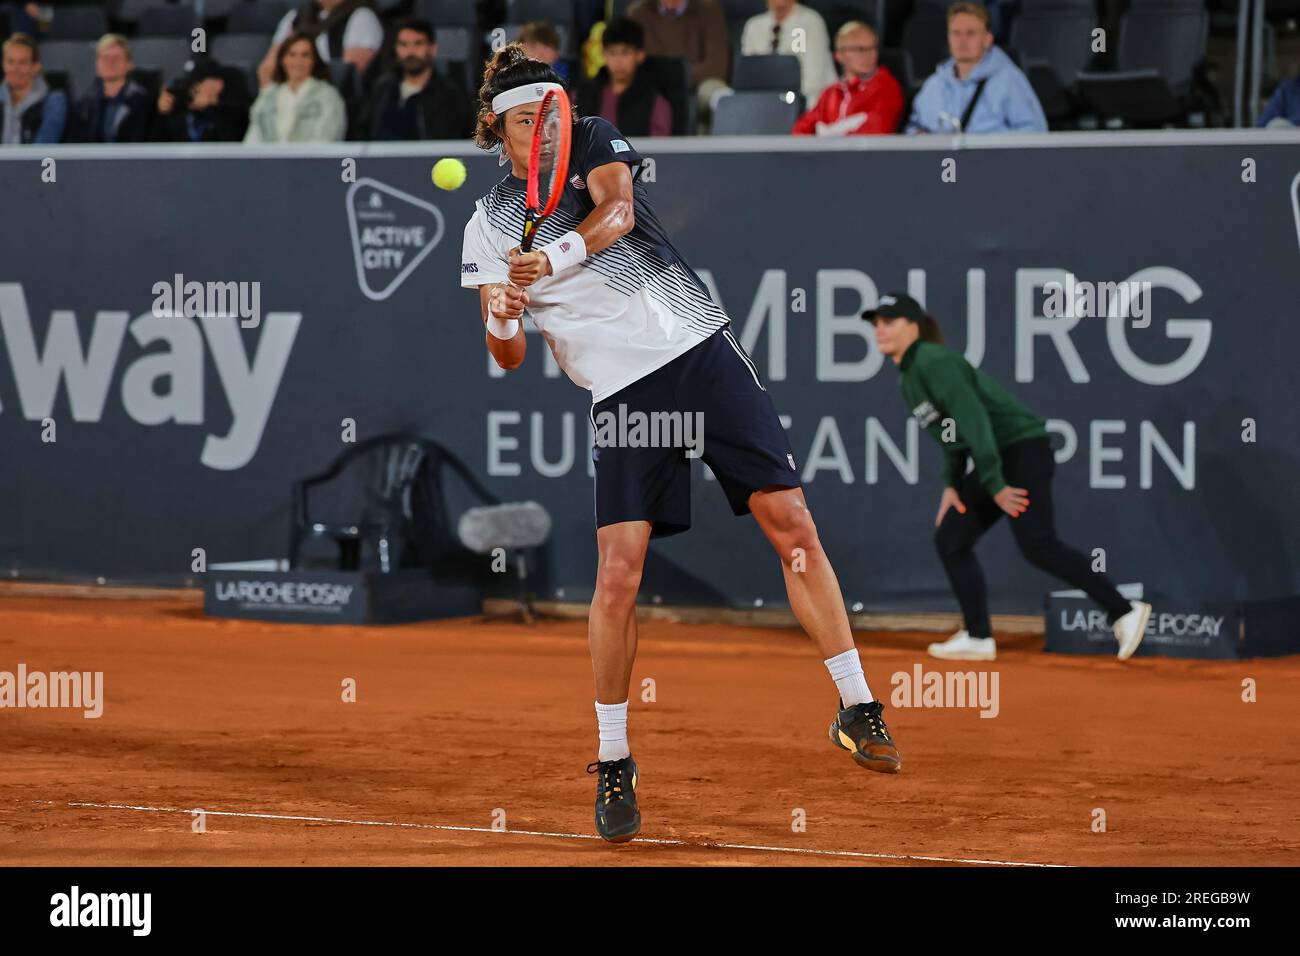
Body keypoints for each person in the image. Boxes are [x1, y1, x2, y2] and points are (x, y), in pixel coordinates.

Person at [461, 44, 901, 845]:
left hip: (696, 349)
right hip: (620, 393)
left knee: (792, 524)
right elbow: (509, 355)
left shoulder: (592, 139)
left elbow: (619, 215)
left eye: (554, 116)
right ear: (498, 127)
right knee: (620, 574)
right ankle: (615, 758)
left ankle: (857, 703)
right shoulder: (488, 225)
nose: (549, 133)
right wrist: (501, 308)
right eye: (531, 122)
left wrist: (552, 255)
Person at [865, 292, 1152, 662]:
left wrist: (996, 484)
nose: (879, 331)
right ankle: (979, 636)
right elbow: (950, 432)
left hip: (1020, 451)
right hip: (998, 457)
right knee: (952, 537)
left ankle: (1124, 610)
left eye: (888, 322)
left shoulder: (935, 362)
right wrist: (952, 483)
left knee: (1038, 544)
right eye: (876, 324)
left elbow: (974, 421)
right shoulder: (909, 376)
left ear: (913, 326)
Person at [906, 2, 1045, 134]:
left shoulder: (1009, 80)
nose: (962, 40)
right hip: (942, 159)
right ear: (948, 37)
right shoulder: (934, 84)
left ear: (987, 39)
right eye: (956, 33)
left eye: (970, 33)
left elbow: (1035, 131)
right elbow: (913, 129)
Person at [357, 18, 472, 141]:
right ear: (396, 49)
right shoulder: (383, 89)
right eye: (403, 44)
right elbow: (363, 132)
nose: (410, 52)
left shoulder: (449, 94)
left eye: (418, 44)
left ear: (432, 49)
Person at [792, 21, 903, 136]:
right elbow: (800, 131)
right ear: (839, 55)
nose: (867, 55)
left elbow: (874, 133)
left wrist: (828, 134)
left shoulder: (887, 88)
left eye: (871, 48)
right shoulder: (830, 93)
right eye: (859, 49)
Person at [577, 17, 672, 138]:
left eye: (625, 52)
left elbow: (662, 150)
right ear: (604, 55)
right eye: (612, 52)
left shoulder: (655, 102)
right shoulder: (586, 94)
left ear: (640, 55)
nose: (618, 61)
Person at [245, 33, 346, 143]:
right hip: (268, 158)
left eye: (305, 55)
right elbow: (253, 136)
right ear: (282, 60)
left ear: (314, 61)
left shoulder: (328, 96)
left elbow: (327, 138)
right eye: (292, 54)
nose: (298, 61)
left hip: (309, 158)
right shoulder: (268, 95)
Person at [257, 0, 383, 89]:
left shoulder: (362, 17)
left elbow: (345, 76)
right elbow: (267, 70)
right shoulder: (296, 17)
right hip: (287, 94)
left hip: (326, 97)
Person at [627, 0, 728, 111]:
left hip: (697, 82)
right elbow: (629, 63)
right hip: (653, 85)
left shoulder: (709, 9)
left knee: (717, 92)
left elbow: (717, 67)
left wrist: (675, 78)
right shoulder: (638, 13)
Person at [740, 0, 835, 106]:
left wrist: (783, 100)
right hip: (766, 100)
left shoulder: (811, 20)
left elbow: (813, 79)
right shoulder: (754, 25)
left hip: (808, 99)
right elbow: (748, 75)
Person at [67, 34, 155, 143]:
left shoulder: (145, 104)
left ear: (129, 64)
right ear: (97, 65)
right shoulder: (84, 107)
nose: (110, 63)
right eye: (105, 58)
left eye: (116, 58)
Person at [153, 59, 249, 143]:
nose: (193, 89)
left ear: (217, 84)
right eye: (190, 83)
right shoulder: (181, 117)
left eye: (198, 83)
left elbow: (230, 144)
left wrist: (210, 108)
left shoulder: (235, 115)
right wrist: (162, 114)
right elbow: (157, 149)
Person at [0, 33, 67, 145]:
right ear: (3, 65)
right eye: (10, 62)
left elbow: (42, 148)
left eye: (22, 62)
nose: (15, 69)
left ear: (36, 67)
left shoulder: (53, 102)